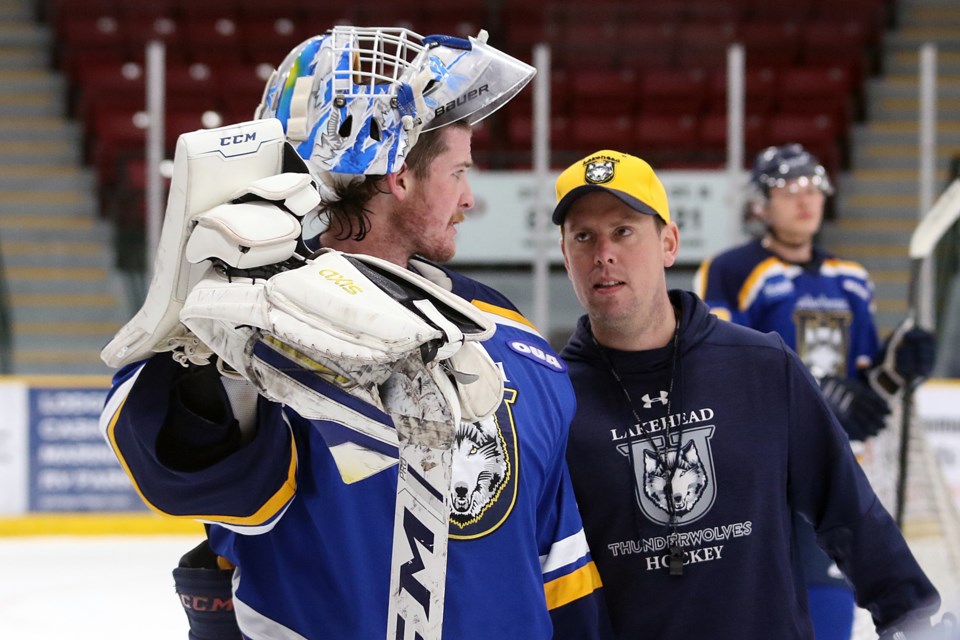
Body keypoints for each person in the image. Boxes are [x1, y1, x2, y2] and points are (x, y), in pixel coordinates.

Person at [98, 27, 608, 639]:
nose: (469, 197)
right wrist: (212, 356)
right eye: (458, 170)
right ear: (397, 172)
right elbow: (186, 477)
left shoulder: (510, 333)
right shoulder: (249, 318)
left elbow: (560, 569)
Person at [553, 148, 944, 639]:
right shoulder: (552, 397)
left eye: (624, 230)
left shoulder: (763, 365)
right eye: (583, 237)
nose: (603, 253)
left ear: (669, 243)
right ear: (566, 256)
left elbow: (847, 506)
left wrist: (912, 617)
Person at [694, 143, 938, 640]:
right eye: (789, 188)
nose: (804, 199)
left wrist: (899, 362)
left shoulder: (851, 278)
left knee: (828, 617)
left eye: (813, 186)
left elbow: (866, 386)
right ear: (761, 203)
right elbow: (716, 369)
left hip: (825, 472)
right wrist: (817, 397)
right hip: (758, 473)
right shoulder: (730, 270)